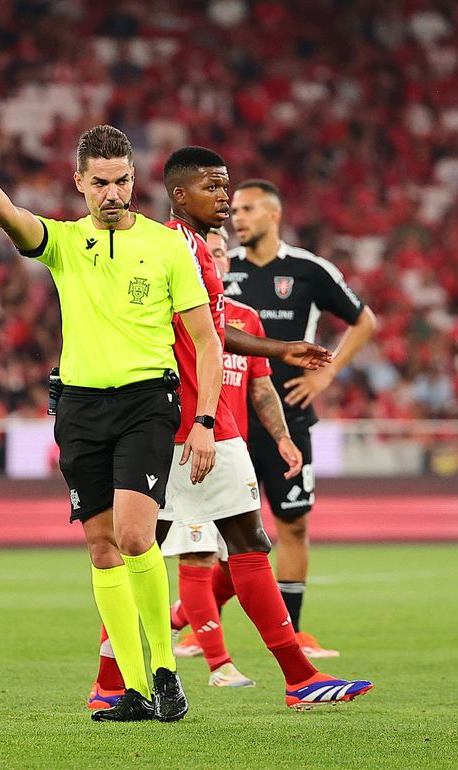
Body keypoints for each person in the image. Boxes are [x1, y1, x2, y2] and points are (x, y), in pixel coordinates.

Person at [0, 122, 219, 723]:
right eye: (100, 184)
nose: (113, 194)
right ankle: (138, 690)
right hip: (81, 408)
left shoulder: (168, 246)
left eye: (121, 181)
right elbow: (15, 220)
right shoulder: (65, 243)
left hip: (148, 400)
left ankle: (166, 671)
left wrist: (204, 419)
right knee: (100, 549)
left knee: (137, 536)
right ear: (79, 183)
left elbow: (206, 340)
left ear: (134, 179)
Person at [90, 148, 372, 710]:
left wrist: (278, 349)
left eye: (229, 189)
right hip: (183, 424)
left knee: (234, 541)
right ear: (180, 195)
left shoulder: (193, 248)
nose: (225, 200)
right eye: (215, 189)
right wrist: (201, 416)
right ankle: (292, 678)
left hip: (199, 423)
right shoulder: (174, 248)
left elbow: (214, 334)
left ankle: (297, 678)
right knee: (150, 550)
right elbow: (198, 338)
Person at [227, 179, 378, 658]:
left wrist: (325, 375)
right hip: (230, 415)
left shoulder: (309, 270)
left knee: (292, 523)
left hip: (288, 416)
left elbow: (365, 320)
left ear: (273, 215)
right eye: (234, 210)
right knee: (216, 526)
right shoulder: (220, 269)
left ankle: (291, 633)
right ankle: (199, 627)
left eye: (247, 209)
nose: (237, 218)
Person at [172, 226, 304, 658]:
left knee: (239, 554)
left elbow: (262, 389)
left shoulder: (245, 316)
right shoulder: (176, 307)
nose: (217, 258)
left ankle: (183, 617)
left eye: (223, 252)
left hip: (231, 446)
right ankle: (216, 659)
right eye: (210, 251)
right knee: (188, 553)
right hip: (185, 443)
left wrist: (283, 437)